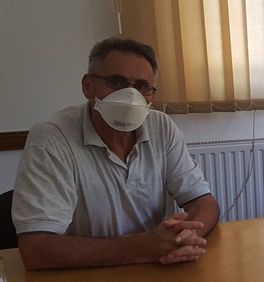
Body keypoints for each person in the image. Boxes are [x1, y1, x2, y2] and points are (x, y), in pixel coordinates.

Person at [12, 37, 220, 269]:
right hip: (81, 277)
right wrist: (145, 247)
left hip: (154, 269)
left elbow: (204, 203)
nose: (131, 96)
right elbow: (36, 249)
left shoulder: (161, 127)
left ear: (152, 94)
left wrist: (186, 236)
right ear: (88, 86)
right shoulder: (51, 137)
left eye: (142, 86)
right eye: (117, 82)